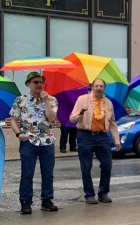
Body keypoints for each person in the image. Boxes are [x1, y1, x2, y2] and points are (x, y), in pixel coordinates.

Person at [9, 71, 60, 214]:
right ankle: (25, 202)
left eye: (40, 82)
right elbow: (13, 119)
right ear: (28, 84)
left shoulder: (51, 99)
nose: (39, 85)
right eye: (35, 82)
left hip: (47, 141)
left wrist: (46, 102)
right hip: (28, 141)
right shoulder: (21, 100)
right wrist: (18, 133)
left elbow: (52, 119)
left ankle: (47, 200)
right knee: (27, 173)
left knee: (48, 173)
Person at [69, 78, 121, 205]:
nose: (98, 88)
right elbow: (72, 119)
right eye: (96, 86)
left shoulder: (108, 103)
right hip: (85, 135)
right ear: (92, 87)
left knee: (107, 164)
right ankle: (89, 195)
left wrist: (116, 139)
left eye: (101, 86)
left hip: (102, 136)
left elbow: (112, 123)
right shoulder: (82, 99)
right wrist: (80, 113)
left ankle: (103, 193)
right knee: (86, 167)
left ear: (104, 88)